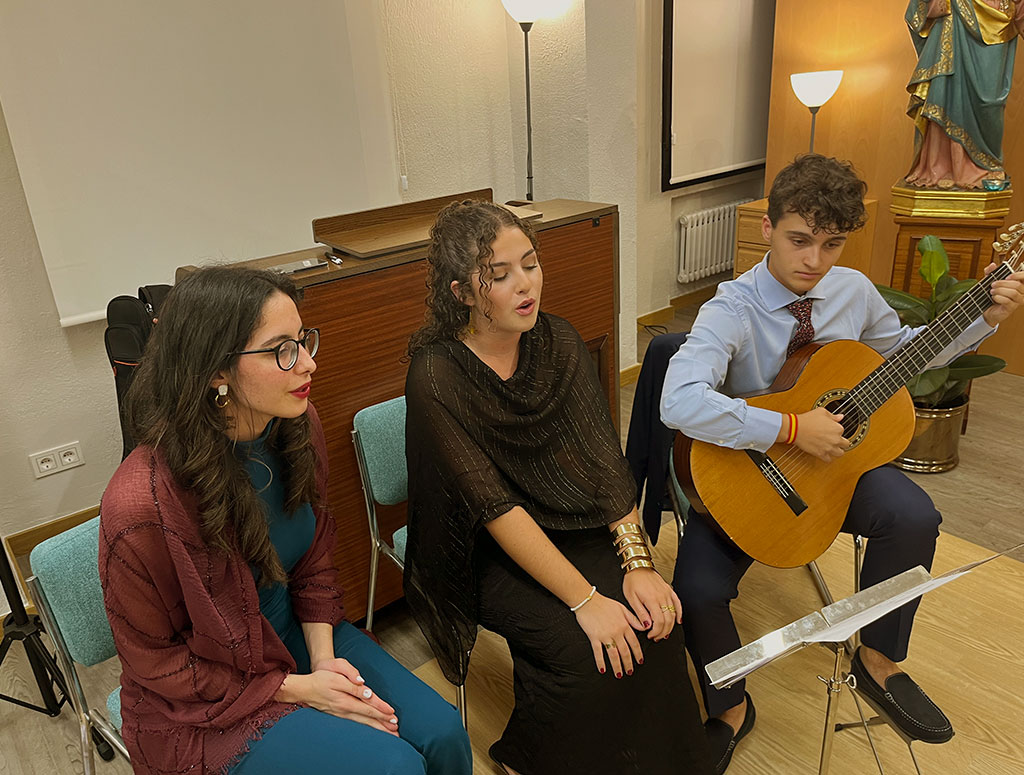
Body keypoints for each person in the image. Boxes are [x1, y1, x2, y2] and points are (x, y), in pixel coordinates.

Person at [661, 154, 1024, 773]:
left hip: (831, 470)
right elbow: (678, 400)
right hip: (750, 476)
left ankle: (878, 661)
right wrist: (793, 426)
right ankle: (729, 707)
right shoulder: (732, 307)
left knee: (914, 516)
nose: (814, 261)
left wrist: (981, 319)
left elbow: (903, 354)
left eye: (831, 244)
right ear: (769, 226)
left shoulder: (852, 291)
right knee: (695, 589)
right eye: (800, 241)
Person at [99, 267, 472, 775]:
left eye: (303, 340)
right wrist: (301, 690)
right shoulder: (140, 505)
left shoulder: (296, 426)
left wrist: (324, 664)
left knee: (446, 734)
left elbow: (314, 559)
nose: (309, 363)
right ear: (216, 371)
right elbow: (155, 664)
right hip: (205, 696)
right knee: (394, 767)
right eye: (282, 350)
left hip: (295, 636)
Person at [403, 200, 714, 775]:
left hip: (570, 521)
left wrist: (638, 564)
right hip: (482, 549)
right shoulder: (435, 374)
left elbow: (602, 465)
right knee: (584, 651)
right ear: (462, 293)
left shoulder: (559, 341)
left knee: (660, 629)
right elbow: (493, 509)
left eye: (530, 263)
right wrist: (587, 600)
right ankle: (528, 759)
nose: (526, 285)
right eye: (499, 276)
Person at [904, 0, 1024, 188]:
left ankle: (986, 165)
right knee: (947, 91)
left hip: (998, 18)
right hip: (955, 20)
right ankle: (943, 167)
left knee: (989, 102)